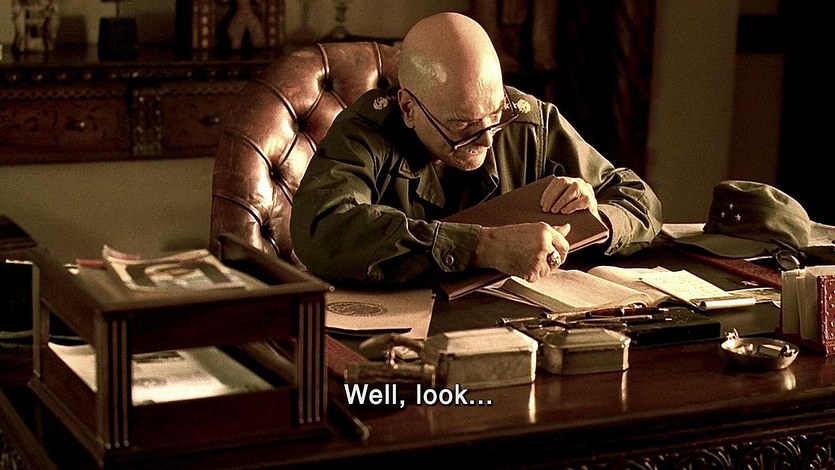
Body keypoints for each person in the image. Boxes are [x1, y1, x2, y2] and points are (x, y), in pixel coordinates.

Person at [290, 12, 662, 288]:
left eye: (495, 114)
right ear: (408, 108)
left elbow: (639, 200)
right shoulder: (365, 131)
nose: (487, 139)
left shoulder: (527, 121)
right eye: (462, 124)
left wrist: (594, 219)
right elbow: (322, 229)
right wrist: (483, 247)